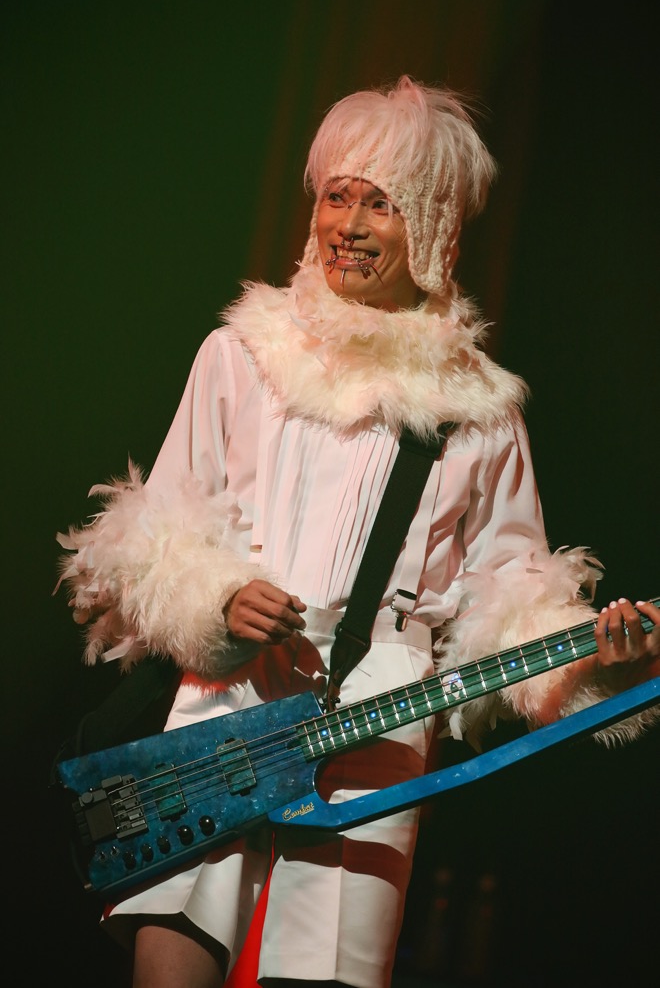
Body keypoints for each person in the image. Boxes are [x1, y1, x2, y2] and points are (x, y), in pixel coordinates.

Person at [56, 75, 660, 988]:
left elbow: (508, 600)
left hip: (379, 720)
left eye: (381, 203)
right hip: (227, 702)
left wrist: (598, 660)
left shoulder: (477, 409)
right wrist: (216, 600)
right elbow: (149, 531)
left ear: (433, 228)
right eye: (337, 195)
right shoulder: (243, 355)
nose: (349, 223)